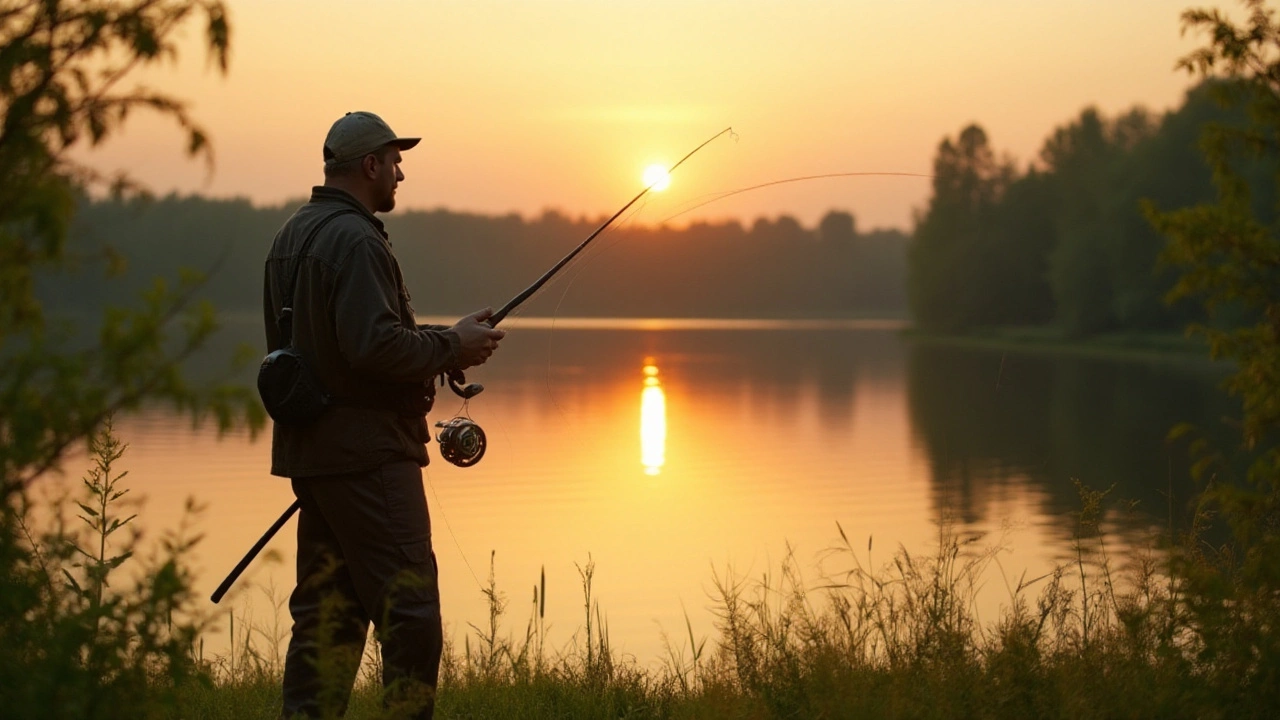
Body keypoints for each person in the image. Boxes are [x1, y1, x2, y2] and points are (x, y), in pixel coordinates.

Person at [263, 111, 505, 719]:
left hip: (315, 458)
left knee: (327, 618)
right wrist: (452, 346)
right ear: (369, 165)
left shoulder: (291, 235)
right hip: (369, 457)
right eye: (395, 161)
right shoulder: (357, 239)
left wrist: (442, 344)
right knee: (410, 614)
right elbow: (374, 347)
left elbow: (348, 346)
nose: (401, 173)